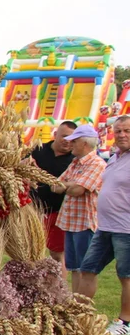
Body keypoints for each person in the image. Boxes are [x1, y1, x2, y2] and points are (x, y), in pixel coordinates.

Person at [79, 115, 130, 335]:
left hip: (126, 228)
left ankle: (125, 323)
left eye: (127, 130)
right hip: (105, 226)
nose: (122, 135)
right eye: (118, 131)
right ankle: (78, 315)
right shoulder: (115, 157)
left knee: (126, 275)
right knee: (87, 269)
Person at [52, 125, 106, 293]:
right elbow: (55, 186)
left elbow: (77, 190)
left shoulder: (97, 164)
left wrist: (67, 186)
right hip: (70, 222)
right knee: (74, 267)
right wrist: (71, 185)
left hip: (85, 223)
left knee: (86, 268)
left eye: (74, 141)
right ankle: (75, 303)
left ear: (84, 143)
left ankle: (83, 305)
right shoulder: (75, 163)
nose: (70, 145)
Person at [30, 121, 76, 265]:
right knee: (30, 251)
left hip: (58, 212)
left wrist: (38, 172)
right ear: (55, 135)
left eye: (72, 139)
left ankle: (59, 287)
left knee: (57, 254)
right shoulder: (38, 150)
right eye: (64, 136)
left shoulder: (74, 160)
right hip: (33, 210)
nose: (68, 142)